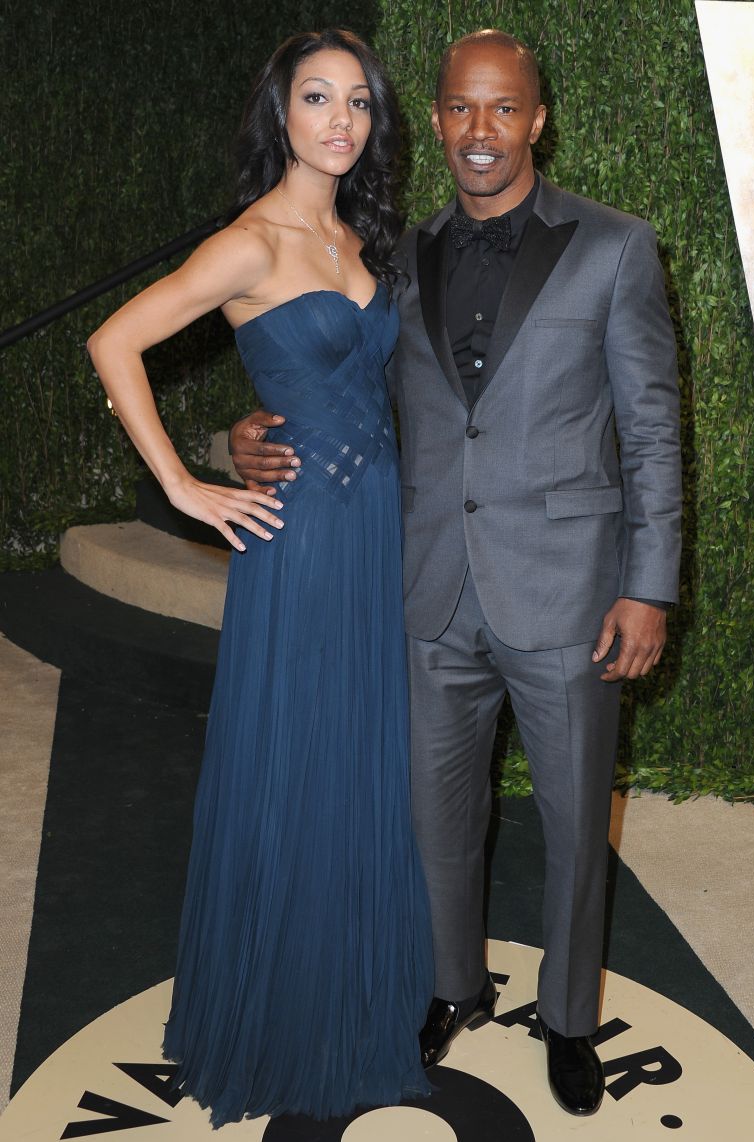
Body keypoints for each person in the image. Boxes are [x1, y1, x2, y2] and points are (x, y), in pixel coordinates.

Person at [230, 29, 682, 1118]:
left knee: (574, 826)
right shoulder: (393, 256)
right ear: (434, 119)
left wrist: (650, 585)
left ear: (536, 120)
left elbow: (652, 431)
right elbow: (335, 392)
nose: (481, 131)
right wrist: (236, 439)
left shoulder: (615, 247)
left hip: (570, 594)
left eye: (503, 108)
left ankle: (567, 1020)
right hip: (428, 589)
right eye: (460, 109)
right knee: (435, 817)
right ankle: (451, 983)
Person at [87, 29, 433, 1128]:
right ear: (280, 113)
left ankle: (356, 992)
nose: (341, 120)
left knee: (361, 758)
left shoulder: (360, 235)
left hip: (375, 528)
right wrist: (185, 487)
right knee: (296, 755)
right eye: (317, 98)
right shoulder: (248, 243)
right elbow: (113, 342)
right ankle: (279, 1019)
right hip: (302, 538)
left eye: (358, 102)